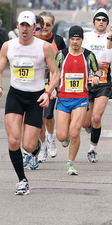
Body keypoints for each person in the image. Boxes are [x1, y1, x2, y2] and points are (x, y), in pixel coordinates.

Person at [0, 11, 60, 195]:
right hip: (15, 96)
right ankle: (22, 180)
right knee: (13, 139)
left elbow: (55, 73)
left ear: (34, 27)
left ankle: (36, 146)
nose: (25, 29)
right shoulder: (8, 46)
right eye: (22, 25)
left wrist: (48, 92)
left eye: (29, 26)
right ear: (18, 26)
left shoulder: (44, 47)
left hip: (36, 97)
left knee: (28, 146)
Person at [54, 25, 100, 175]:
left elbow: (97, 70)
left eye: (78, 39)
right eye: (72, 39)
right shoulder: (61, 55)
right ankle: (64, 136)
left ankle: (70, 163)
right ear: (69, 39)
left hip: (81, 98)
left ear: (82, 40)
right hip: (63, 98)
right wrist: (51, 89)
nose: (75, 42)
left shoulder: (89, 55)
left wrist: (96, 77)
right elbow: (54, 73)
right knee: (62, 136)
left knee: (75, 133)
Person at [81, 8, 112, 163]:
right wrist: (94, 63)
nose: (101, 22)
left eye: (104, 20)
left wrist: (109, 38)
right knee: (85, 122)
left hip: (103, 82)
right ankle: (91, 128)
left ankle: (92, 149)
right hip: (87, 81)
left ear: (107, 23)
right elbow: (79, 55)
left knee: (97, 117)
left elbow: (110, 58)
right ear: (94, 22)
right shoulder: (86, 37)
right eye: (98, 19)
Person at [39, 11, 66, 157]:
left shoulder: (59, 40)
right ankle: (43, 147)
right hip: (35, 82)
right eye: (41, 24)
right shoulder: (33, 40)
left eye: (47, 24)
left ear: (52, 26)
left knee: (48, 115)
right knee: (39, 119)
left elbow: (61, 64)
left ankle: (50, 138)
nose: (44, 27)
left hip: (52, 82)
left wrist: (55, 86)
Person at [22, 15, 46, 169]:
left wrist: (50, 89)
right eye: (33, 28)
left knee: (39, 124)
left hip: (41, 90)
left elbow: (55, 69)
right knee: (24, 122)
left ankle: (37, 151)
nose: (34, 31)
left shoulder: (46, 46)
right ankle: (27, 152)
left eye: (37, 29)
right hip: (23, 89)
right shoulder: (21, 45)